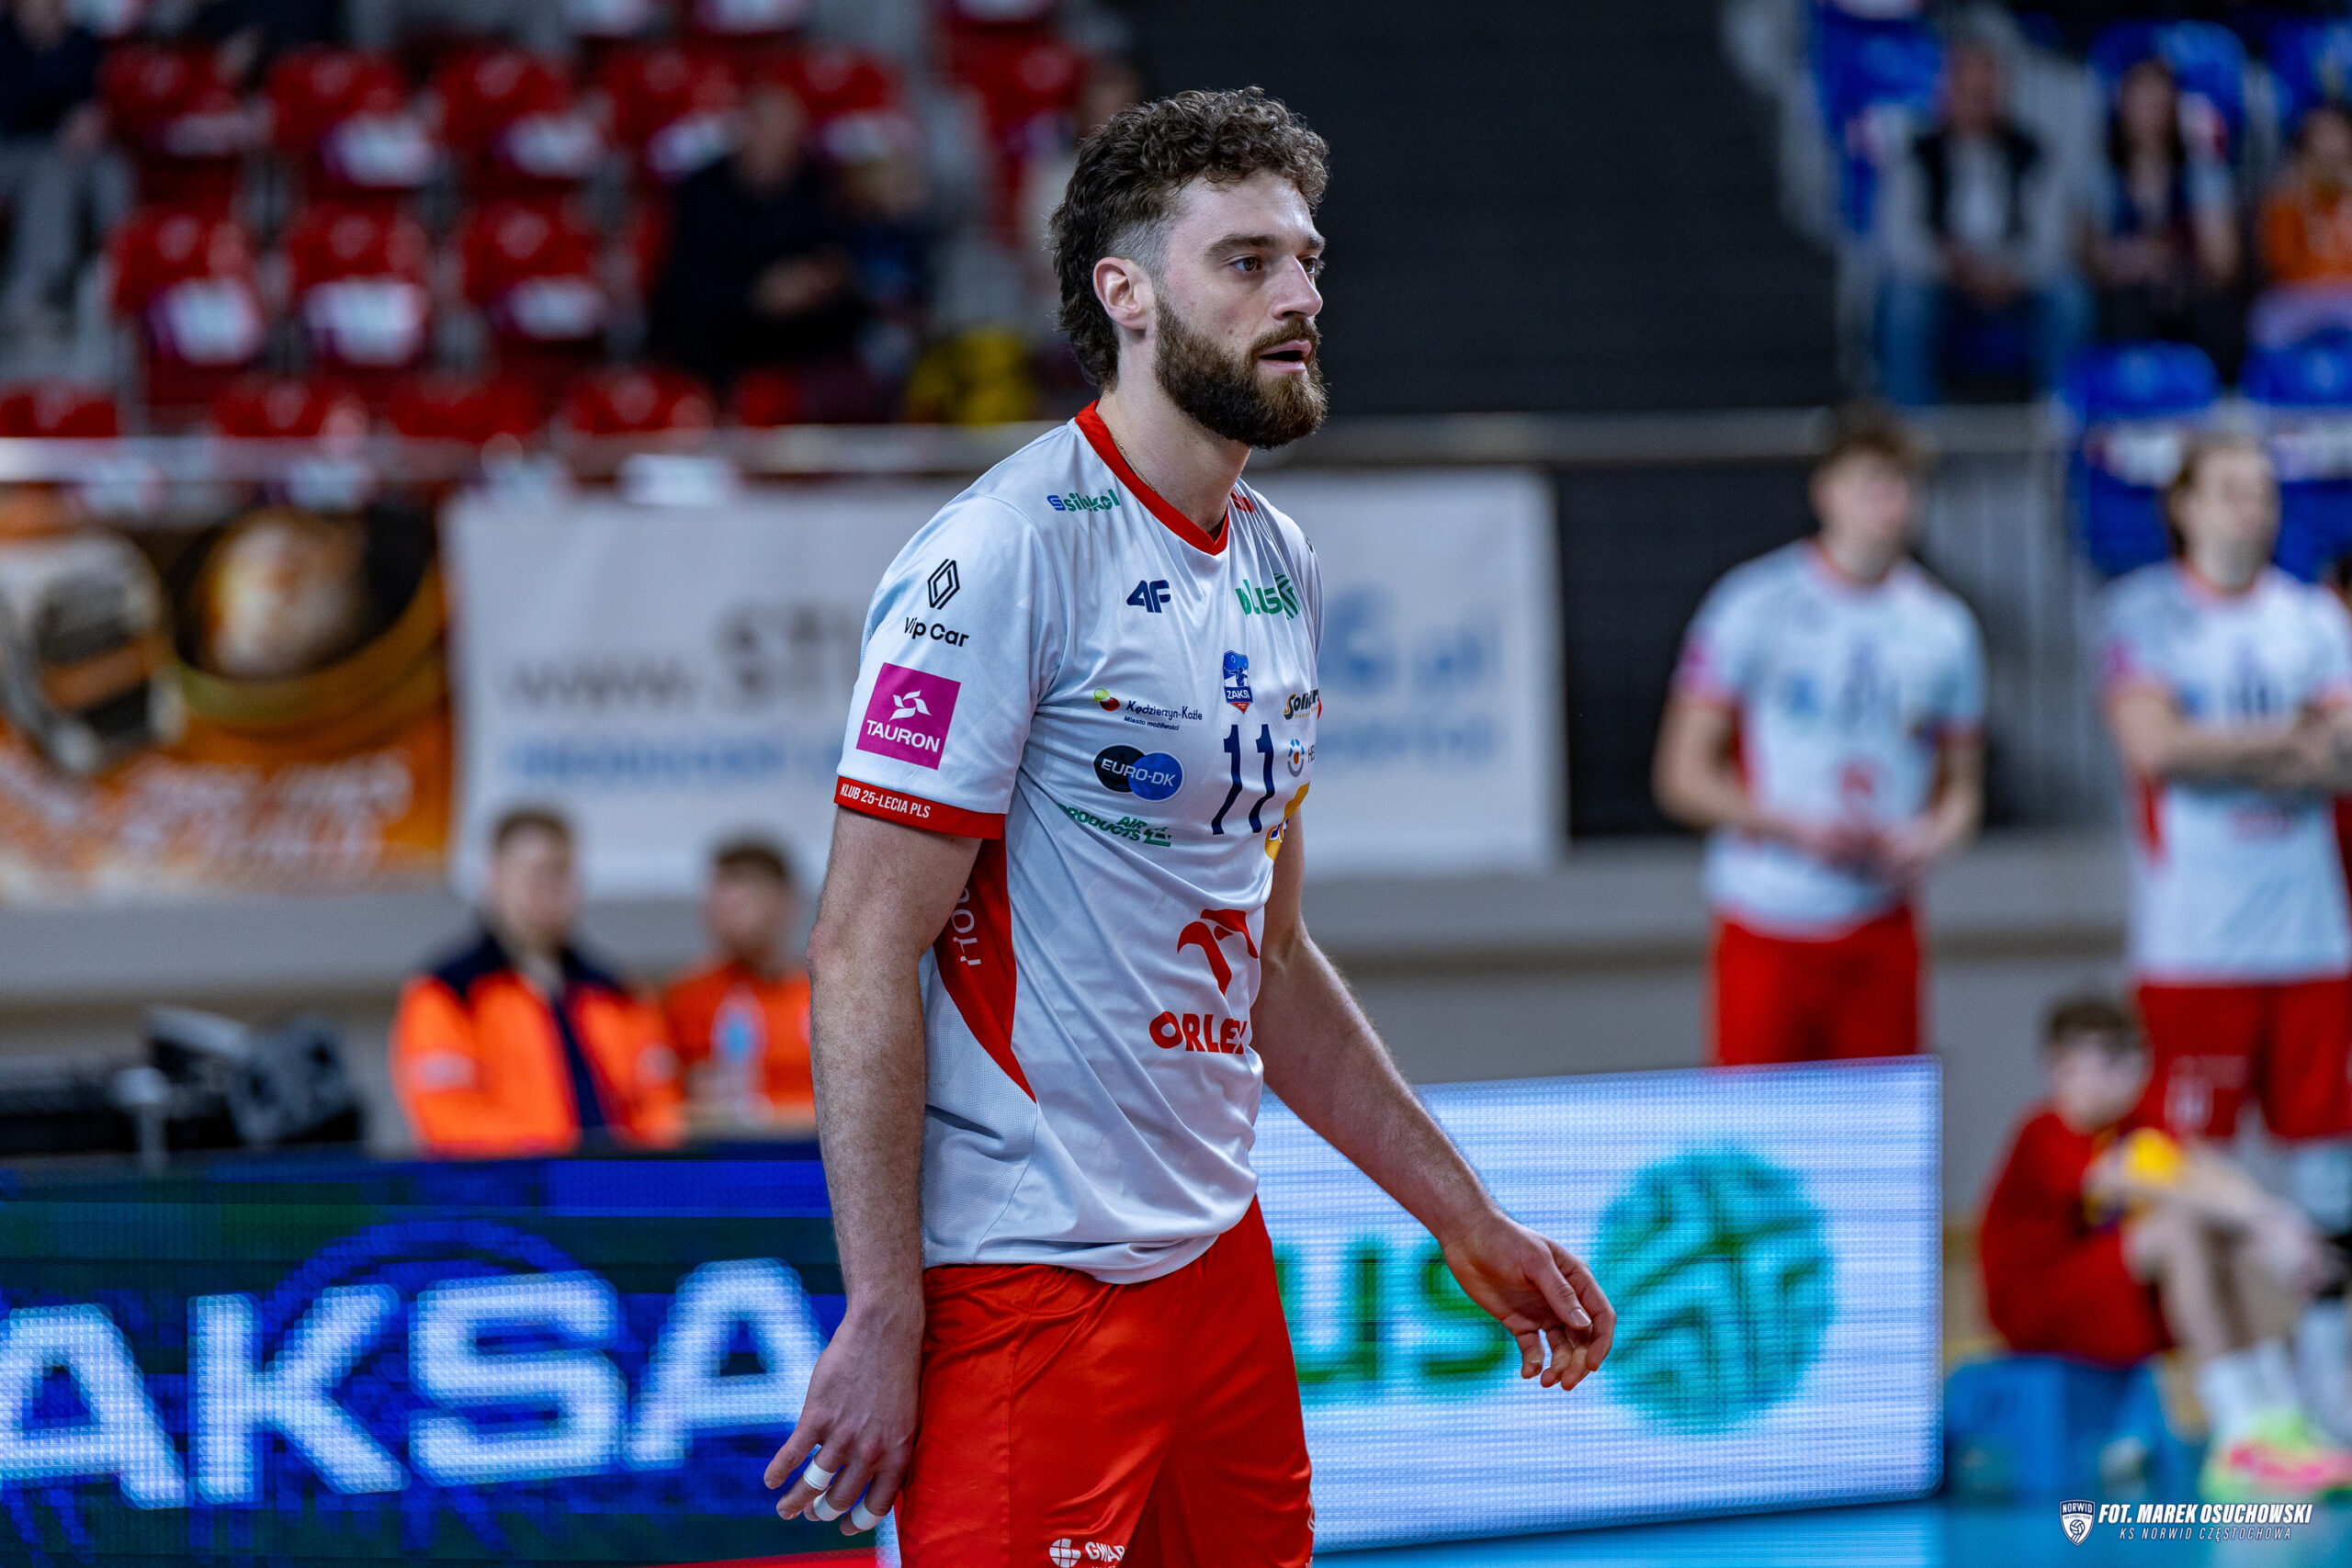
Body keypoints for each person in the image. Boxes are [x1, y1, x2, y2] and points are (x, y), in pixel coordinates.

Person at [761, 87, 1612, 1562]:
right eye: (1248, 261)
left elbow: (1269, 955)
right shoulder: (1003, 551)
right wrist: (886, 1305)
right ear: (1128, 294)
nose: (1301, 297)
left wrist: (1465, 1217)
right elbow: (858, 949)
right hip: (1024, 1283)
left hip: (1219, 1271)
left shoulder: (1282, 565)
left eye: (1309, 261)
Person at [2100, 431, 2352, 1430]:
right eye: (2232, 491)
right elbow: (2155, 748)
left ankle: (2329, 1378)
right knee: (2187, 1164)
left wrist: (2229, 749)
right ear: (2185, 506)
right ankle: (2238, 1398)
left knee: (2329, 1166)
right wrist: (2290, 739)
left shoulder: (2312, 618)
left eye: (2264, 492)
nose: (2255, 509)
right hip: (2194, 947)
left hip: (2313, 939)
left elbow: (2345, 753)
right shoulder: (2143, 614)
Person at [1654, 406, 1985, 1065]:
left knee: (1883, 1128)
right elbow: (1682, 777)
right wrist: (1791, 827)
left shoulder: (1944, 627)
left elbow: (1963, 792)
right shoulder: (1753, 604)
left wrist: (1929, 839)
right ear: (1826, 491)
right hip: (1767, 920)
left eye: (1902, 485)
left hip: (1881, 927)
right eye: (1871, 483)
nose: (1888, 503)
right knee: (1758, 1125)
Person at [1981, 996, 2352, 1500]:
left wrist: (2276, 1224)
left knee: (2223, 1238)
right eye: (2108, 1061)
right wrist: (2264, 1221)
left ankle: (2280, 1422)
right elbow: (2146, 1182)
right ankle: (2237, 1433)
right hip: (2038, 1308)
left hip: (2111, 1297)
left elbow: (2204, 1169)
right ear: (2060, 1065)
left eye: (2135, 1059)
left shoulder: (2134, 1124)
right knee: (2177, 1227)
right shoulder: (2044, 1133)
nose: (2127, 1076)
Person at [391, 807, 683, 1157]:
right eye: (533, 874)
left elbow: (660, 1109)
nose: (548, 890)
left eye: (560, 873)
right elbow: (450, 1121)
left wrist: (633, 1171)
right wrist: (553, 1165)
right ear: (494, 879)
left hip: (619, 1185)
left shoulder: (621, 995)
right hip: (508, 1189)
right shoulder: (447, 993)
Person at [1873, 35, 2092, 404]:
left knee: (2069, 297)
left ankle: (2058, 413)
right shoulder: (1916, 156)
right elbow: (1899, 242)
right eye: (1968, 92)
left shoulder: (2035, 155)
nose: (1978, 102)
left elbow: (2052, 243)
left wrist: (2008, 272)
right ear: (1948, 92)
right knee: (1905, 302)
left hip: (2017, 284)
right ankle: (1912, 420)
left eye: (1986, 92)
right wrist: (1953, 267)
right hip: (1944, 284)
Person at [646, 81, 865, 397]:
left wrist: (816, 279)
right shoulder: (702, 191)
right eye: (768, 130)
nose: (778, 144)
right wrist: (759, 294)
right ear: (746, 129)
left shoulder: (817, 186)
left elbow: (840, 255)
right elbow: (685, 278)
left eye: (788, 135)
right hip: (724, 328)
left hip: (798, 331)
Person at [2084, 57, 2241, 376]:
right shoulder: (2102, 177)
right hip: (2124, 292)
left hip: (2187, 287)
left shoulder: (2202, 173)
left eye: (2159, 103)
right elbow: (2089, 256)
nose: (2151, 114)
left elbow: (2224, 262)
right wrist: (2132, 262)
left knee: (2216, 316)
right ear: (2121, 109)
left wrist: (2175, 256)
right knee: (2123, 313)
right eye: (2141, 103)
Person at [662, 836, 816, 1136]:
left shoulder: (825, 1000)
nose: (729, 903)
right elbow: (663, 1110)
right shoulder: (685, 999)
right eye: (721, 889)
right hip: (728, 1159)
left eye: (747, 886)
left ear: (785, 903)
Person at [0, 0, 126, 333]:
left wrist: (92, 120)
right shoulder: (5, 41)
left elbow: (96, 99)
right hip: (14, 150)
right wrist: (63, 121)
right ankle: (34, 294)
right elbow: (11, 112)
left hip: (75, 152)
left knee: (112, 171)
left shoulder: (82, 40)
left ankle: (119, 274)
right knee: (50, 176)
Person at [2255, 103, 2352, 348]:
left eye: (2336, 134)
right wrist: (2300, 202)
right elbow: (2281, 266)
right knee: (2267, 321)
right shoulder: (2286, 198)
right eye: (2321, 136)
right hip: (2300, 300)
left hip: (2348, 295)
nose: (2329, 147)